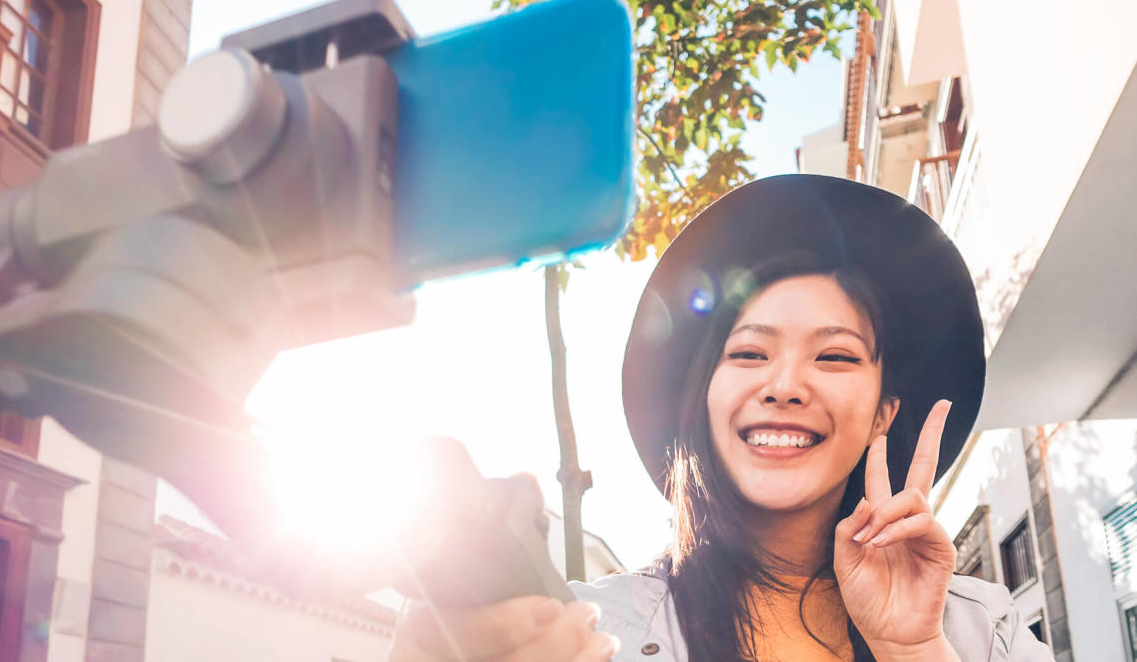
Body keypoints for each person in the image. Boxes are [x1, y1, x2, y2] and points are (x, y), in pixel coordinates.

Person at [389, 175, 1053, 661]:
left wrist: (912, 648)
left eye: (834, 355)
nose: (786, 384)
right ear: (703, 398)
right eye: (749, 352)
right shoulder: (583, 630)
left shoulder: (978, 626)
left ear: (884, 411)